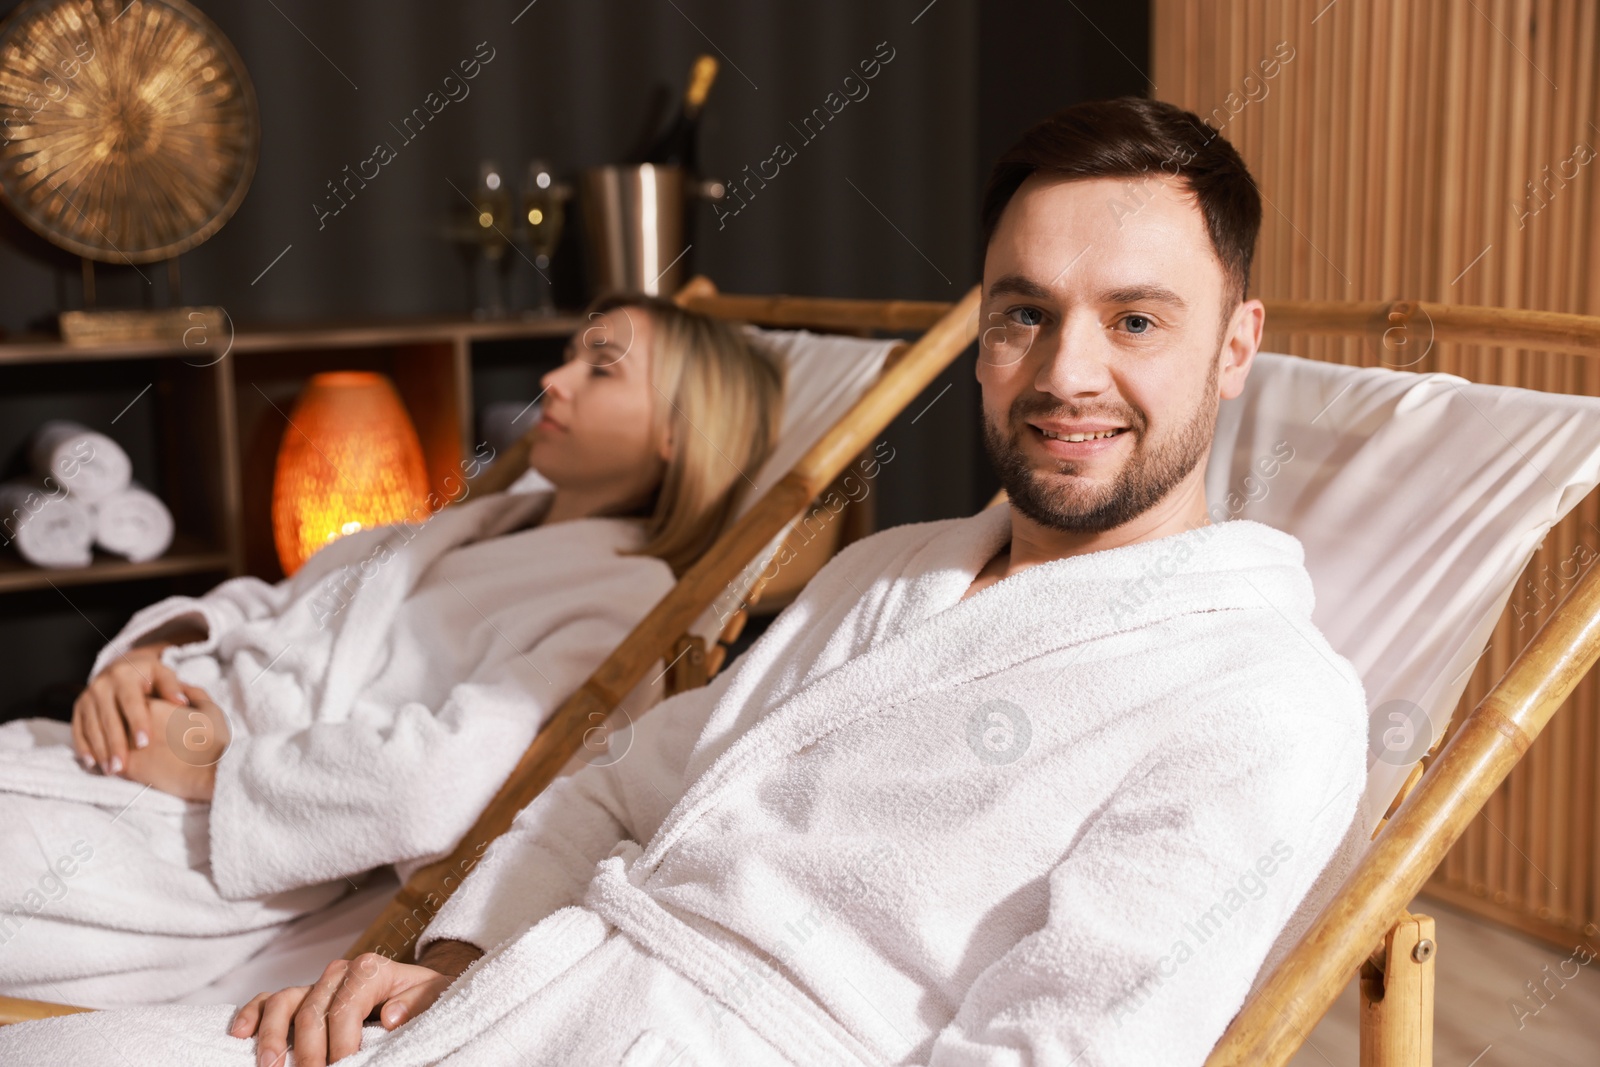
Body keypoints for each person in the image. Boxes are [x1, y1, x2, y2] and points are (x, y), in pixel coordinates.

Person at [0, 97, 1369, 1067]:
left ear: (1238, 344)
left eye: (1136, 320)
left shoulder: (1264, 702)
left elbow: (1061, 1043)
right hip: (533, 994)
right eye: (1024, 313)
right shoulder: (892, 571)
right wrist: (456, 956)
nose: (1068, 371)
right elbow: (620, 777)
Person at [0, 294, 783, 1008]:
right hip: (118, 736)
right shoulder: (470, 522)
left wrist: (212, 766)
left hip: (199, 837)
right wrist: (153, 652)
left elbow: (433, 779)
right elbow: (266, 601)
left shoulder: (620, 597)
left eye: (599, 370)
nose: (556, 377)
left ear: (682, 430)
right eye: (571, 354)